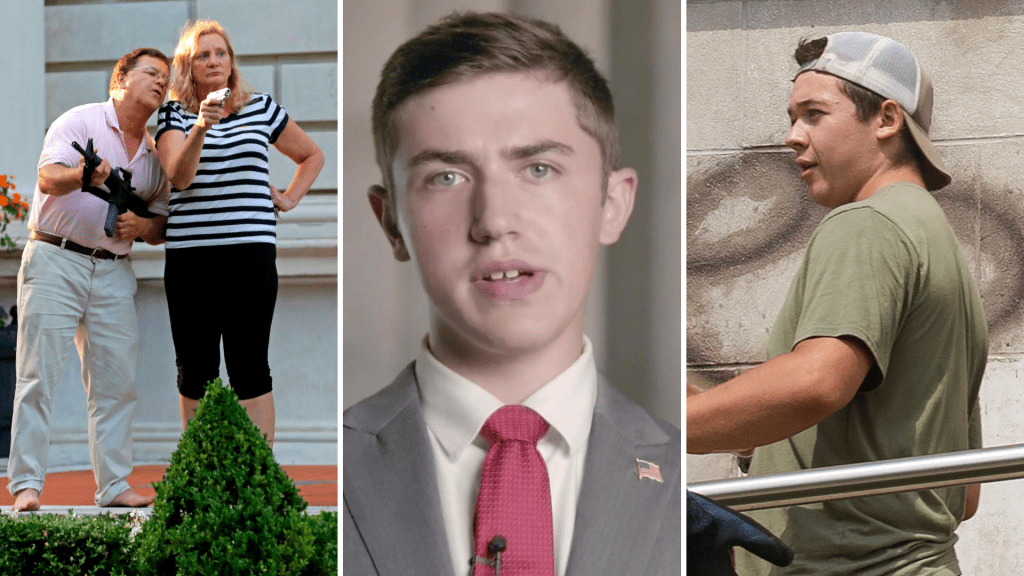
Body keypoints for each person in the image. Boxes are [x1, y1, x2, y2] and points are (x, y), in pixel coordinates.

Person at [344, 11, 680, 576]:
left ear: (612, 204)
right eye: (446, 177)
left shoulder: (685, 482)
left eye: (539, 168)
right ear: (391, 222)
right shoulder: (336, 466)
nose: (494, 220)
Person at [687, 32, 988, 574]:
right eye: (792, 116)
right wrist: (760, 440)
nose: (791, 136)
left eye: (814, 114)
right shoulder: (936, 241)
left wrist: (670, 424)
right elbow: (962, 494)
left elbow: (818, 382)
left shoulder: (866, 224)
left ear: (887, 120)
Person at [8, 47, 172, 512]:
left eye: (165, 77)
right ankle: (26, 485)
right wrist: (85, 174)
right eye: (150, 73)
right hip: (55, 258)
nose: (161, 81)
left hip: (114, 270)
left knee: (116, 383)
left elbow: (161, 222)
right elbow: (46, 178)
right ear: (119, 78)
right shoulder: (79, 122)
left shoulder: (154, 156)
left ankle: (114, 485)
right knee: (37, 376)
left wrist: (140, 228)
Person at [155, 20, 324, 445]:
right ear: (187, 67)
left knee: (250, 366)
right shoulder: (175, 115)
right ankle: (201, 473)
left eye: (221, 53)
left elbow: (312, 156)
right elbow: (179, 178)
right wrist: (200, 127)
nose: (214, 61)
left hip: (250, 255)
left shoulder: (260, 107)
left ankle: (258, 478)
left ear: (231, 62)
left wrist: (288, 198)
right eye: (203, 55)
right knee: (196, 368)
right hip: (192, 259)